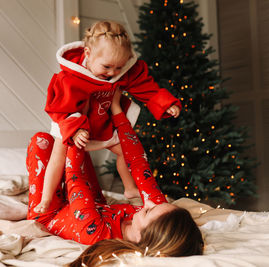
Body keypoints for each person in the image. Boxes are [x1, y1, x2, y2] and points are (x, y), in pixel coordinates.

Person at [27, 90, 203, 265]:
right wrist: (116, 109)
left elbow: (75, 176)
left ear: (144, 235)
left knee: (41, 141)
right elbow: (138, 161)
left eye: (148, 210)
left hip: (49, 214)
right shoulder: (155, 216)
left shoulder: (96, 234)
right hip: (94, 205)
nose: (147, 203)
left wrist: (80, 115)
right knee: (70, 145)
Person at [38, 20, 182, 213]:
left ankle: (130, 188)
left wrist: (166, 103)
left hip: (101, 121)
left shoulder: (120, 71)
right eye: (107, 67)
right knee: (58, 155)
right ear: (88, 54)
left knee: (125, 151)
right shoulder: (70, 78)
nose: (113, 73)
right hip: (72, 121)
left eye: (119, 67)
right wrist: (76, 127)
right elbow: (61, 107)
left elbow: (144, 86)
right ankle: (46, 199)